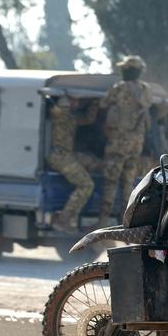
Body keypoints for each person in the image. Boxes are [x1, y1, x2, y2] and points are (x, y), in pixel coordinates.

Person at [97, 55, 153, 226]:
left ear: (127, 70)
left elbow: (103, 104)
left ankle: (103, 221)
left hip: (118, 143)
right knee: (128, 183)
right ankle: (126, 221)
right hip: (136, 144)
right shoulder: (145, 89)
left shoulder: (119, 88)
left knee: (111, 181)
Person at [48, 95, 99, 233]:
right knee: (86, 185)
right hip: (59, 156)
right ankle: (64, 219)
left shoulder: (70, 116)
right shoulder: (59, 113)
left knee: (95, 162)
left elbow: (88, 119)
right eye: (75, 100)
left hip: (67, 154)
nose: (78, 103)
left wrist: (94, 104)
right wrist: (65, 101)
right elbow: (57, 110)